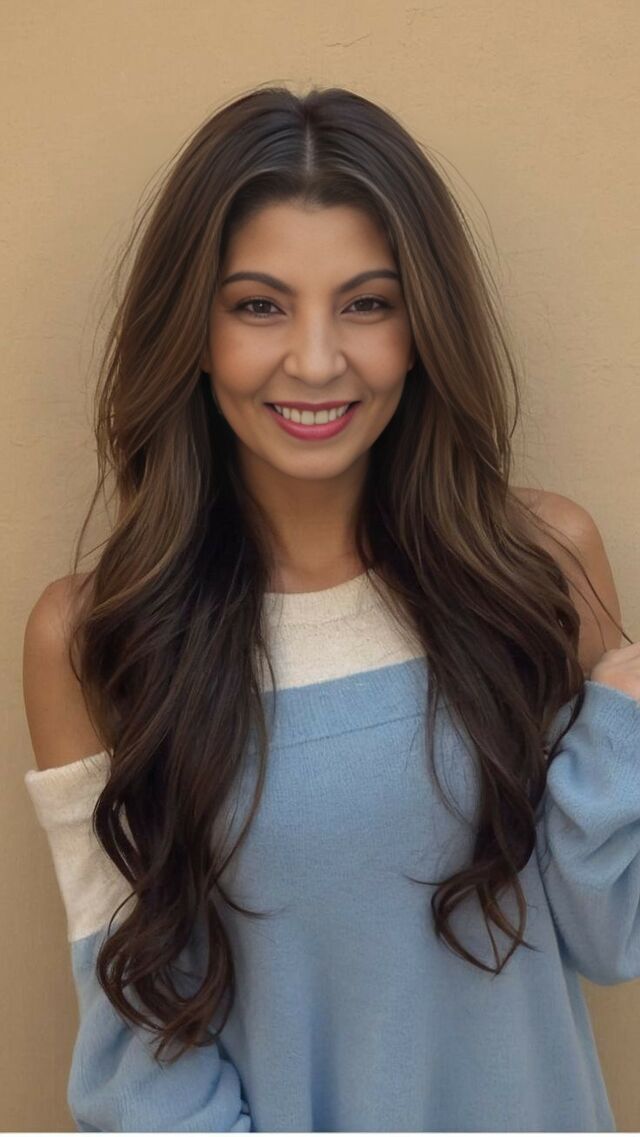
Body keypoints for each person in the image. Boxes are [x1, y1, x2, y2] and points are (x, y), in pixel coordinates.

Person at [22, 83, 640, 1132]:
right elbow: (140, 1065)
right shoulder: (95, 640)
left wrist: (621, 699)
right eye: (259, 305)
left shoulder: (537, 563)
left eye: (368, 303)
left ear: (421, 326)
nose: (315, 360)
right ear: (193, 329)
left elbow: (609, 935)